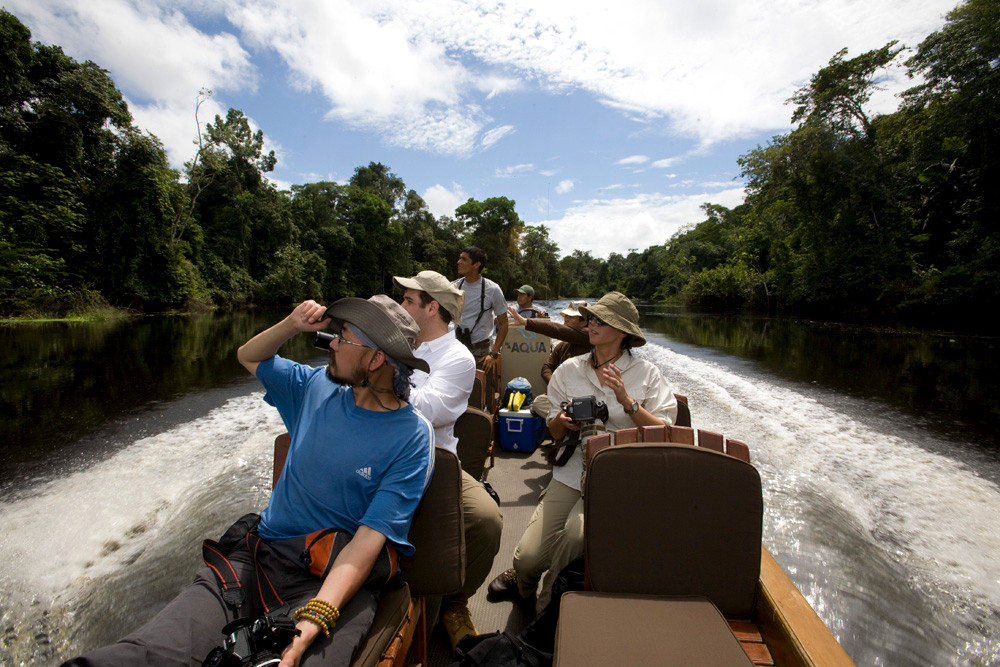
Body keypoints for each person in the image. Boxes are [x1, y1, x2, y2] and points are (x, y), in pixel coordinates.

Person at [65, 297, 435, 667]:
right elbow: (250, 356)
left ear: (375, 360)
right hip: (256, 560)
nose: (332, 344)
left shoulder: (411, 437)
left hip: (330, 578)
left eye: (344, 337)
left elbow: (368, 540)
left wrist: (311, 622)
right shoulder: (316, 386)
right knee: (146, 653)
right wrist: (291, 324)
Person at [488, 292, 677, 612]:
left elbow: (665, 433)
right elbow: (552, 431)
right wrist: (563, 421)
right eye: (591, 318)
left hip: (617, 474)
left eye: (601, 320)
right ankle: (524, 580)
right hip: (572, 467)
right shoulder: (569, 370)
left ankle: (547, 606)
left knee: (576, 537)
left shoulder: (646, 375)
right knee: (529, 558)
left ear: (622, 332)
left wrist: (627, 400)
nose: (591, 323)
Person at [392, 270, 503, 651]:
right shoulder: (397, 342)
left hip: (433, 459)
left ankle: (455, 601)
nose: (400, 306)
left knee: (486, 522)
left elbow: (431, 411)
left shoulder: (456, 357)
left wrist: (385, 372)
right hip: (381, 451)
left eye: (408, 300)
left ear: (431, 307)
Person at [454, 246, 508, 411]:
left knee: (484, 396)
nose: (459, 262)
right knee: (457, 395)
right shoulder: (453, 287)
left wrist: (494, 353)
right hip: (457, 349)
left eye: (464, 259)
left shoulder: (492, 289)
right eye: (459, 258)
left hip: (482, 352)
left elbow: (504, 324)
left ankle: (488, 430)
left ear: (476, 264)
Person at [508, 300, 590, 386]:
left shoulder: (590, 338)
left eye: (571, 317)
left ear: (584, 322)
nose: (566, 319)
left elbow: (558, 330)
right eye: (566, 315)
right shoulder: (562, 346)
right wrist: (556, 386)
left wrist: (526, 322)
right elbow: (546, 368)